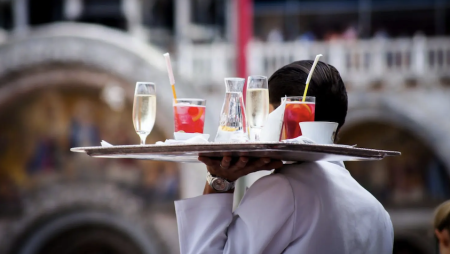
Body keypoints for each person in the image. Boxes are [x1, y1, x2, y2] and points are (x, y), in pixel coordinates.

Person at [175, 60, 394, 254]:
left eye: (266, 116)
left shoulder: (283, 190)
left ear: (284, 119)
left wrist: (218, 181)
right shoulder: (378, 213)